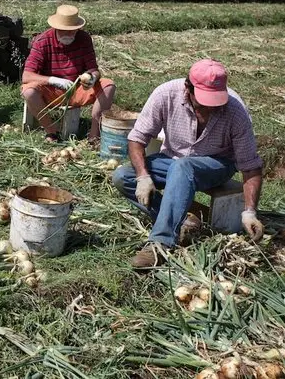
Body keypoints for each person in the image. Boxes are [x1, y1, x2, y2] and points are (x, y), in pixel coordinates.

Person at [112, 59, 264, 268]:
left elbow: (250, 165)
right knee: (123, 177)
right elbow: (137, 138)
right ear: (187, 88)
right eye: (203, 103)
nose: (208, 110)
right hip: (172, 158)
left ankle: (161, 243)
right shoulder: (165, 94)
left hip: (216, 165)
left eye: (214, 104)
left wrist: (249, 212)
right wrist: (143, 177)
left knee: (183, 167)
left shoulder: (235, 111)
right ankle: (183, 220)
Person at [21, 4, 115, 143]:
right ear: (56, 28)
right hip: (51, 91)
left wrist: (92, 78)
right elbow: (27, 76)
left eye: (72, 31)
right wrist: (53, 80)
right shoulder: (42, 41)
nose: (68, 34)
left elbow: (94, 69)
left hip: (77, 88)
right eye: (64, 31)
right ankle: (52, 132)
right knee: (28, 91)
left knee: (109, 86)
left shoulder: (84, 39)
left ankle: (94, 136)